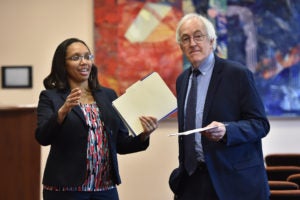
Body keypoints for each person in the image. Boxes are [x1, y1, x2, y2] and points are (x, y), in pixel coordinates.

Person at [35, 38, 158, 200]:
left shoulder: (108, 95)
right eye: (76, 57)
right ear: (63, 64)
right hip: (65, 189)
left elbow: (121, 143)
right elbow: (42, 137)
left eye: (87, 56)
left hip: (104, 189)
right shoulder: (51, 97)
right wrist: (63, 111)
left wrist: (144, 135)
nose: (84, 62)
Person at [168, 13, 270, 200]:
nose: (192, 43)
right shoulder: (182, 80)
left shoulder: (237, 74)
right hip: (192, 181)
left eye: (198, 36)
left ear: (212, 40)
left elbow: (261, 124)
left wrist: (227, 130)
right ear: (181, 46)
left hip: (232, 182)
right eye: (186, 38)